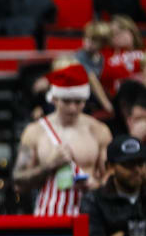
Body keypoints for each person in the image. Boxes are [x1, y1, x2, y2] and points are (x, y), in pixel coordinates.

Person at [14, 64, 113, 216]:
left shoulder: (98, 130)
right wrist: (49, 166)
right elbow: (18, 182)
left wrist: (97, 185)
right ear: (54, 99)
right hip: (48, 216)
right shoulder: (35, 131)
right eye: (67, 101)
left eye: (79, 101)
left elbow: (112, 177)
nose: (73, 108)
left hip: (90, 216)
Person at [81, 135, 146, 236]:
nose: (137, 170)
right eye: (128, 164)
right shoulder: (94, 200)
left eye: (140, 163)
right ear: (110, 167)